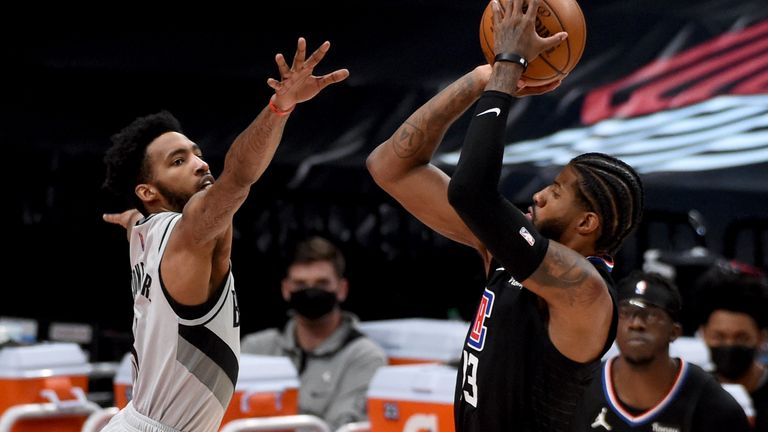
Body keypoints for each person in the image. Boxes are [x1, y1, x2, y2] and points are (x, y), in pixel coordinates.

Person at [366, 0, 644, 430]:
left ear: (587, 223)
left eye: (555, 192)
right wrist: (479, 81)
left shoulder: (585, 292)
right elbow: (390, 166)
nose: (538, 195)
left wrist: (508, 68)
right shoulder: (509, 253)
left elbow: (471, 192)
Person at [100, 38, 349, 432]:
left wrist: (128, 218)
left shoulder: (144, 232)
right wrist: (279, 107)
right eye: (178, 161)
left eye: (196, 153)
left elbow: (135, 220)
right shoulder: (189, 231)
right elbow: (238, 177)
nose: (199, 164)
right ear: (148, 191)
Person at [570, 271, 751, 431]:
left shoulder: (713, 405)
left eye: (651, 315)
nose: (636, 324)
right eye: (626, 313)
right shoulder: (578, 391)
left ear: (674, 332)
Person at [241, 236, 387, 430]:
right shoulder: (256, 347)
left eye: (322, 283)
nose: (310, 292)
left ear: (341, 289)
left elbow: (339, 426)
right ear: (286, 289)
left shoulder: (364, 357)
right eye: (300, 284)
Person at [695, 260, 768, 431]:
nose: (729, 345)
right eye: (719, 337)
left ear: (761, 337)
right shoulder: (694, 393)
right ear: (703, 334)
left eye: (741, 338)